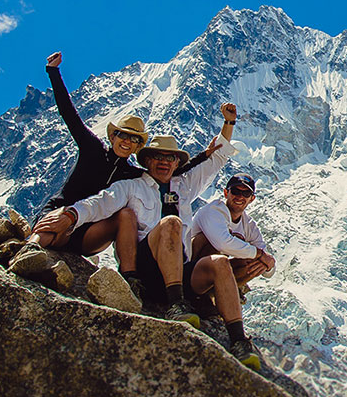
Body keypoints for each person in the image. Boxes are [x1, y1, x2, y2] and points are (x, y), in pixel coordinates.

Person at [40, 104, 240, 327]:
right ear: (146, 161)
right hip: (148, 271)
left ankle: (239, 340)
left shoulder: (185, 186)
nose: (164, 162)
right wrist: (71, 215)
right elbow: (100, 203)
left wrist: (228, 123)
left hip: (181, 270)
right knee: (170, 223)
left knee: (221, 262)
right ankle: (176, 305)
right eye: (157, 156)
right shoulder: (130, 186)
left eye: (170, 158)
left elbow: (217, 159)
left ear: (176, 163)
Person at [30, 51, 217, 272]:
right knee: (55, 226)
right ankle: (27, 252)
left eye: (134, 139)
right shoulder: (92, 149)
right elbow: (69, 114)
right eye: (123, 135)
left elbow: (168, 170)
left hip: (88, 231)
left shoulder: (132, 173)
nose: (127, 141)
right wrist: (53, 72)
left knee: (124, 216)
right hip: (62, 212)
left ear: (138, 145)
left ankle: (130, 278)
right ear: (112, 137)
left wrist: (204, 156)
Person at [184, 174, 275, 369]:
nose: (240, 196)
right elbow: (221, 242)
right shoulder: (213, 211)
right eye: (235, 191)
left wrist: (266, 262)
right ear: (226, 192)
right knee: (211, 243)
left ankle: (211, 298)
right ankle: (202, 303)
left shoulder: (249, 225)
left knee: (252, 262)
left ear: (252, 199)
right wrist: (259, 254)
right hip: (192, 273)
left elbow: (268, 270)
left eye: (246, 193)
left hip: (216, 274)